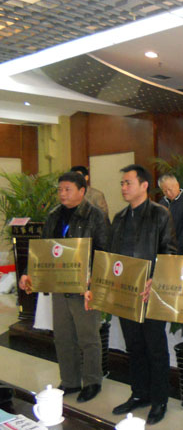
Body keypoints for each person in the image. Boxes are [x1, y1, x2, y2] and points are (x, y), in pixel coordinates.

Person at [20, 171, 108, 402]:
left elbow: (104, 251)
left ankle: (92, 381)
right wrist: (28, 273)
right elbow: (42, 249)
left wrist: (94, 280)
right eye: (60, 189)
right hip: (59, 285)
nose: (62, 193)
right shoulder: (54, 215)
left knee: (88, 337)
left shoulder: (95, 216)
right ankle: (70, 381)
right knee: (63, 336)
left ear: (82, 191)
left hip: (84, 287)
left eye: (67, 189)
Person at [106, 164, 177, 424]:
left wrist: (155, 278)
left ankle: (159, 400)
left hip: (150, 292)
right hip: (126, 292)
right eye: (122, 183)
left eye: (128, 183)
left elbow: (170, 251)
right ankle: (139, 394)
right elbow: (111, 255)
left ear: (144, 185)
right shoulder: (119, 218)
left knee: (155, 347)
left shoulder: (160, 214)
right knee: (134, 346)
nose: (124, 188)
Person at [158, 173, 183, 254]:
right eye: (165, 191)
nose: (168, 193)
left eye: (170, 189)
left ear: (177, 185)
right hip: (164, 249)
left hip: (180, 250)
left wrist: (176, 250)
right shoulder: (162, 203)